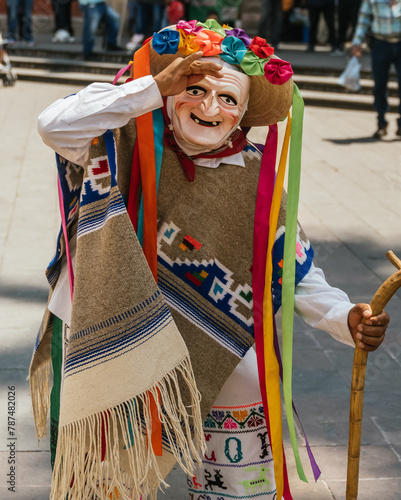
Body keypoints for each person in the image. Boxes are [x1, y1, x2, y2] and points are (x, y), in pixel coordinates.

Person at [33, 21, 389, 500]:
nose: (208, 107)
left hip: (221, 342)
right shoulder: (118, 144)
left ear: (243, 113)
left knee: (241, 486)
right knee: (108, 487)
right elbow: (53, 124)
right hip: (120, 341)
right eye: (193, 89)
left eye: (227, 98)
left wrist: (346, 317)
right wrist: (148, 89)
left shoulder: (256, 181)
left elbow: (293, 273)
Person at [352, 0, 401, 139]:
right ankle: (381, 123)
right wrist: (357, 43)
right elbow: (363, 20)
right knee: (379, 85)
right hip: (380, 44)